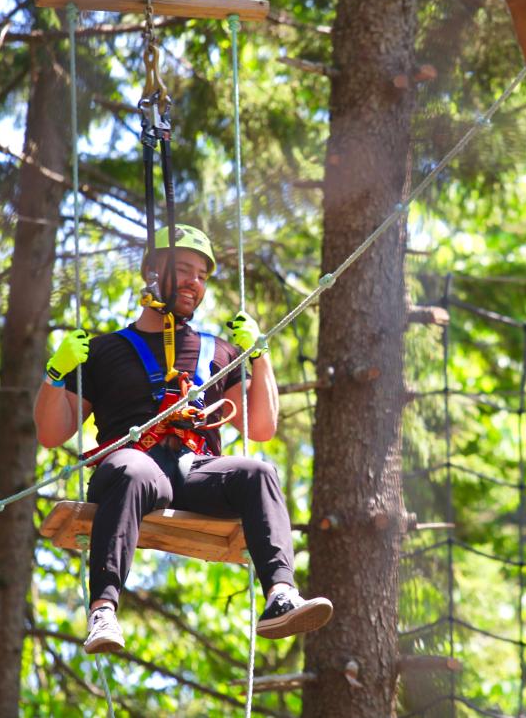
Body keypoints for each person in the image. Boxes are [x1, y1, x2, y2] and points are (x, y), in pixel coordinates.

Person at [33, 224, 333, 654]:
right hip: (131, 469)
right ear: (152, 273)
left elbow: (261, 428)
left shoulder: (219, 351)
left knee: (260, 472)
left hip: (196, 471)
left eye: (203, 275)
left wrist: (260, 359)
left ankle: (280, 596)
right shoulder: (104, 351)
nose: (196, 282)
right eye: (186, 270)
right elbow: (52, 433)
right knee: (133, 468)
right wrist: (54, 376)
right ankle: (103, 610)